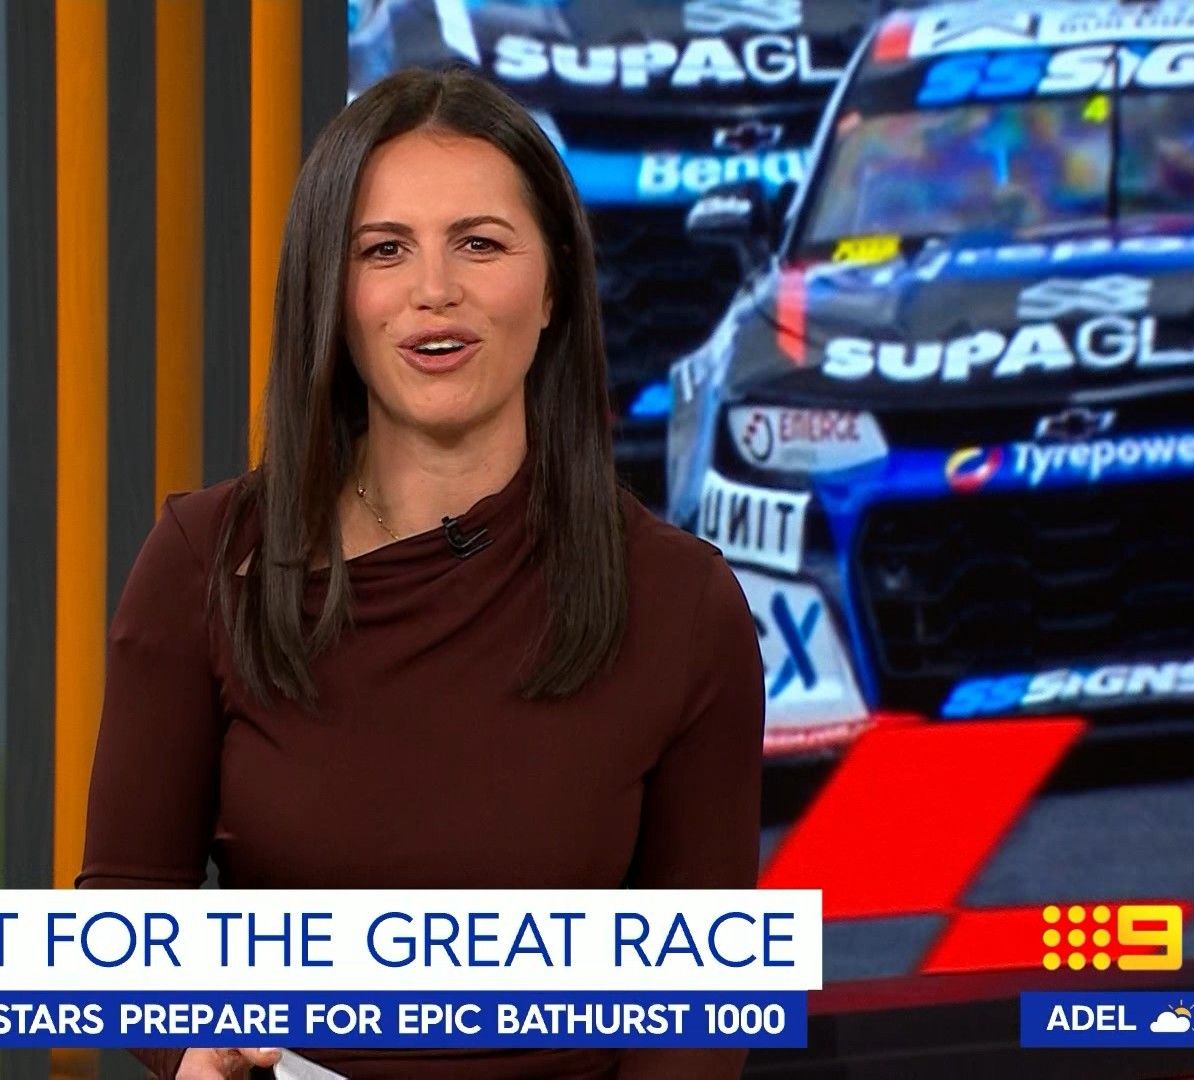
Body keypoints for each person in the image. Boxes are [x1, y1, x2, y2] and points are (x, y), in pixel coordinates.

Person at [78, 66, 766, 1080]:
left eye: (479, 244)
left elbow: (696, 1013)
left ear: (554, 287)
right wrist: (193, 1038)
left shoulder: (681, 606)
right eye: (384, 250)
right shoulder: (206, 562)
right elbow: (126, 912)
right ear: (332, 293)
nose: (433, 290)